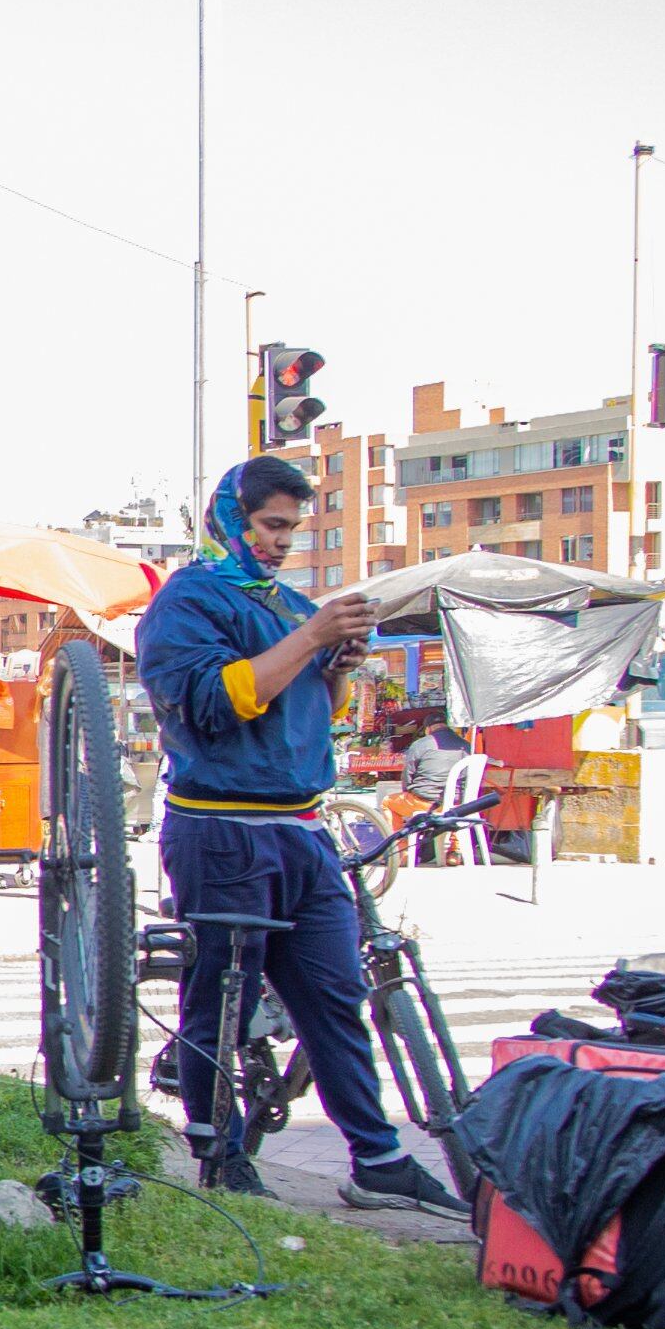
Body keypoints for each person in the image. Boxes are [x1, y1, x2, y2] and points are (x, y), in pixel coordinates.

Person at [135, 457, 467, 1214]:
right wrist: (314, 633)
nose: (283, 542)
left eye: (292, 528)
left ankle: (377, 1159)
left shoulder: (287, 603)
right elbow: (215, 703)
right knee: (222, 994)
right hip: (222, 829)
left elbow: (311, 707)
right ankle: (217, 1151)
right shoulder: (189, 600)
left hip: (302, 826)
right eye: (272, 525)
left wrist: (337, 665)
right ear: (231, 518)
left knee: (334, 995)